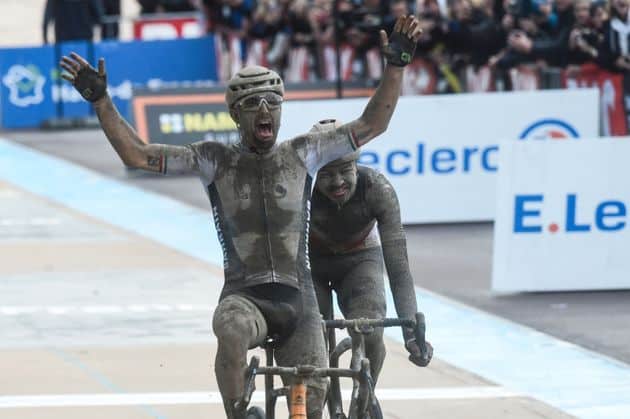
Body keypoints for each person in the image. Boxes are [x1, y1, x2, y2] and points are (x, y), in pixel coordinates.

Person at [59, 15, 423, 419]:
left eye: (273, 102)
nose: (265, 110)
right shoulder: (213, 159)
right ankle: (236, 413)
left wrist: (396, 66)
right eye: (252, 104)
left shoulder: (303, 153)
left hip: (298, 300)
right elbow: (138, 155)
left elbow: (373, 123)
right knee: (230, 330)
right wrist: (102, 102)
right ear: (235, 113)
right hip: (244, 297)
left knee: (312, 406)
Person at [308, 119, 433, 383]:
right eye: (327, 174)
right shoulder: (299, 191)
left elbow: (398, 270)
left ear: (357, 165)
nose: (338, 182)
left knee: (370, 329)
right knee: (308, 338)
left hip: (359, 261)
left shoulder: (378, 189)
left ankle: (364, 399)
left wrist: (411, 334)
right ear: (313, 171)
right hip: (311, 263)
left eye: (345, 170)